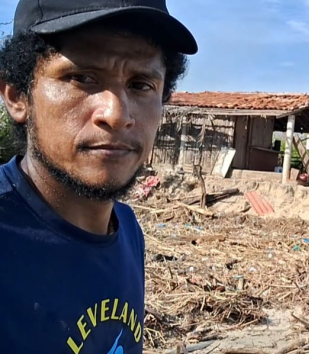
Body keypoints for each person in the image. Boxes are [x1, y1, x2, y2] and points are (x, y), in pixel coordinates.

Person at [0, 0, 197, 352]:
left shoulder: (128, 230)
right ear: (17, 95)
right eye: (82, 78)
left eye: (140, 84)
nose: (116, 114)